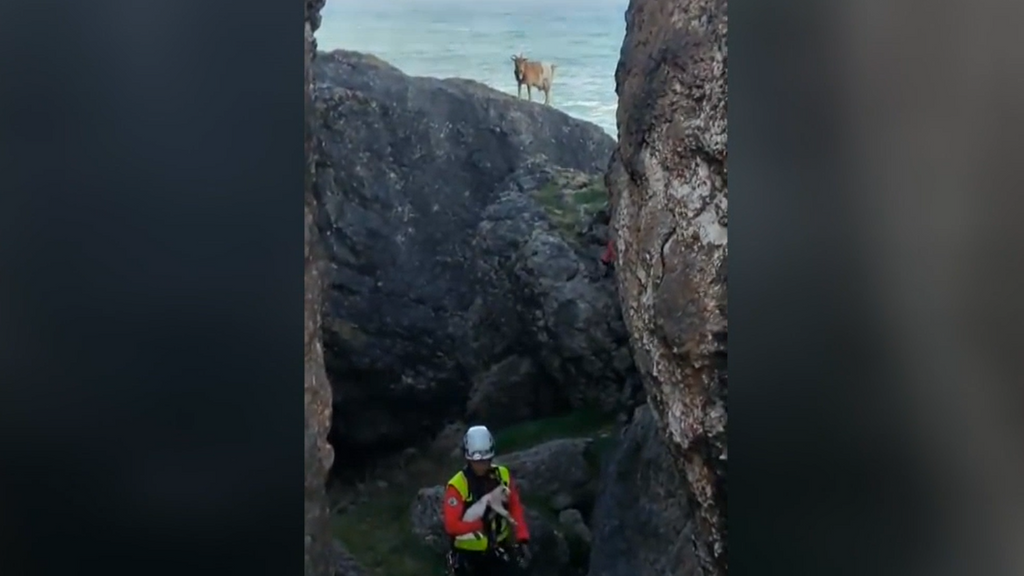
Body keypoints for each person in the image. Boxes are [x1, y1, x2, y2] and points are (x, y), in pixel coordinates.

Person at [442, 425, 531, 575]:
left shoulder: (503, 476)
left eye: (485, 460)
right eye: (477, 462)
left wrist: (522, 538)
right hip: (468, 557)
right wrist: (479, 525)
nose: (481, 465)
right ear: (468, 459)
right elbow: (451, 526)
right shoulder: (457, 485)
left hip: (499, 551)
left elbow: (515, 507)